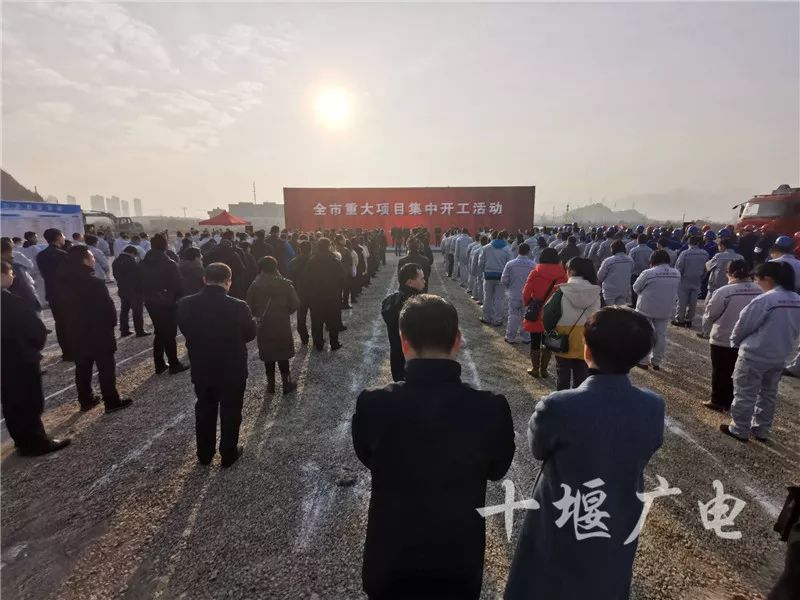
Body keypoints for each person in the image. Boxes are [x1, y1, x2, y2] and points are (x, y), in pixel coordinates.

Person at [352, 294, 515, 599]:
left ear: (403, 342)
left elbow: (367, 455)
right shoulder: (490, 407)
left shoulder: (373, 403)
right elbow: (498, 468)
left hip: (390, 556)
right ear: (457, 341)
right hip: (457, 558)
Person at [505, 307, 664, 600]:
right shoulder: (653, 406)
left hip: (562, 510)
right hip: (616, 509)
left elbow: (538, 448)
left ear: (587, 350)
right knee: (606, 572)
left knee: (546, 574)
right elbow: (649, 447)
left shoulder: (559, 406)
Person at [178, 263, 257, 467]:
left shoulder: (186, 304)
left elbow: (186, 329)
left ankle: (204, 453)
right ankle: (228, 452)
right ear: (228, 281)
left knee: (204, 407)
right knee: (231, 409)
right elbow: (250, 334)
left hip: (202, 365)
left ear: (205, 279)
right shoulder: (238, 305)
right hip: (232, 366)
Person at [722, 262, 800, 442]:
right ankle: (762, 429)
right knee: (768, 394)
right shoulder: (797, 300)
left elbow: (744, 325)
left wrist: (735, 342)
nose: (757, 283)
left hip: (754, 354)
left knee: (745, 392)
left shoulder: (766, 300)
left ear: (769, 279)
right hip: (780, 356)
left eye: (758, 279)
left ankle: (739, 428)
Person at [1, 261, 71, 456]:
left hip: (5, 361)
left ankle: (21, 439)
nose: (12, 276)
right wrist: (32, 348)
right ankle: (36, 442)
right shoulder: (10, 302)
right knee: (28, 399)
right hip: (19, 357)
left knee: (10, 400)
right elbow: (35, 330)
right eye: (10, 273)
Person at [59, 246, 132, 412]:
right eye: (91, 257)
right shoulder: (94, 283)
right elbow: (107, 308)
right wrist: (112, 324)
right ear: (84, 260)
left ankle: (86, 399)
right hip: (98, 332)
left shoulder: (63, 283)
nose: (93, 259)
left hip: (76, 331)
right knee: (105, 367)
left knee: (83, 367)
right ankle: (111, 400)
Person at [700, 260, 762, 412]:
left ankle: (718, 401)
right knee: (740, 371)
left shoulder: (724, 291)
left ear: (730, 273)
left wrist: (706, 329)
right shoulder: (760, 291)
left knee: (721, 370)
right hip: (749, 338)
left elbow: (711, 314)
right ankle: (735, 400)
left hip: (723, 337)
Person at [542, 257, 602, 390]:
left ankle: (562, 401)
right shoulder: (595, 292)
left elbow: (548, 316)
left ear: (572, 271)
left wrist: (550, 329)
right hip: (586, 337)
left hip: (563, 337)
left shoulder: (562, 291)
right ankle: (579, 401)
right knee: (581, 375)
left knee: (562, 374)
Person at [246, 256, 300, 395]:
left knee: (268, 353)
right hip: (281, 323)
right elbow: (295, 304)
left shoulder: (255, 284)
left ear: (261, 268)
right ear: (276, 266)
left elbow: (249, 305)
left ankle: (271, 386)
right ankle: (286, 384)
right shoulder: (285, 284)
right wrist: (284, 311)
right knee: (283, 354)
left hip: (264, 324)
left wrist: (258, 313)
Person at [141, 233, 188, 374]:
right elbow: (179, 286)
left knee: (160, 332)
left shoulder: (142, 263)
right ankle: (174, 363)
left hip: (150, 301)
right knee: (169, 333)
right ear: (165, 245)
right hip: (168, 302)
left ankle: (159, 363)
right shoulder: (168, 263)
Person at [521, 248, 567, 378]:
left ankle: (535, 369)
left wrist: (530, 302)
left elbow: (525, 293)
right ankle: (544, 369)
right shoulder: (563, 275)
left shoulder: (535, 273)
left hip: (536, 312)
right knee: (549, 342)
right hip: (554, 313)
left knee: (535, 341)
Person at [632, 250, 681, 371]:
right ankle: (656, 362)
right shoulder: (676, 273)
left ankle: (643, 361)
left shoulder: (648, 273)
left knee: (645, 334)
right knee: (661, 335)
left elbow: (636, 288)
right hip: (665, 309)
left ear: (653, 260)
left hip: (646, 308)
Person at [381, 262, 425, 381]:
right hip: (416, 359)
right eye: (421, 279)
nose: (424, 281)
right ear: (410, 282)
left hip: (396, 355)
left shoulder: (388, 301)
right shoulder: (420, 303)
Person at [300, 237, 345, 351]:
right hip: (333, 296)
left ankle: (318, 344)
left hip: (316, 297)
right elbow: (343, 277)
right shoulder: (334, 260)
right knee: (333, 320)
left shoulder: (312, 260)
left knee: (316, 321)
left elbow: (306, 279)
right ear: (329, 246)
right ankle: (334, 343)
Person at [36, 228, 71, 360]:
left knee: (60, 324)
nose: (64, 238)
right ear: (58, 237)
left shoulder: (41, 255)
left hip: (52, 294)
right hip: (66, 294)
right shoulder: (62, 255)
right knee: (71, 322)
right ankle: (74, 350)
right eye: (62, 235)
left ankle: (66, 353)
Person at [501, 242, 536, 344]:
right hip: (528, 296)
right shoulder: (533, 265)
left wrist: (510, 287)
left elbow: (504, 279)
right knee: (526, 317)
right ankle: (526, 337)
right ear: (528, 252)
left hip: (514, 294)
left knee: (512, 316)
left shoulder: (510, 264)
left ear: (518, 251)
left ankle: (510, 337)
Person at [112, 246, 150, 337]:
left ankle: (124, 330)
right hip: (135, 291)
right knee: (137, 311)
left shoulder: (116, 261)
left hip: (122, 289)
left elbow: (116, 276)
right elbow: (139, 277)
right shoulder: (131, 262)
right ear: (132, 253)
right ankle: (139, 330)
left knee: (124, 310)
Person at [673, 235, 709, 327]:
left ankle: (680, 320)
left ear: (689, 243)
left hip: (684, 280)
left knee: (682, 302)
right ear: (698, 243)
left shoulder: (685, 253)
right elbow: (706, 269)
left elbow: (678, 267)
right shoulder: (705, 254)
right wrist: (701, 278)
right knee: (693, 303)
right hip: (697, 280)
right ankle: (688, 320)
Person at [479, 230, 514, 326]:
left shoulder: (486, 248)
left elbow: (481, 262)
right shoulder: (507, 249)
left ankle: (487, 317)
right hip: (501, 276)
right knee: (499, 298)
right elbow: (510, 264)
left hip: (488, 275)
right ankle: (498, 319)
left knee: (488, 297)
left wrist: (482, 272)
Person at [1, 237, 40, 313]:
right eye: (9, 252)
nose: (12, 256)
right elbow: (24, 287)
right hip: (23, 302)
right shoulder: (14, 266)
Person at [289, 240, 313, 344]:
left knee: (301, 316)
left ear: (299, 249)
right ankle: (317, 337)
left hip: (299, 292)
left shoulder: (293, 262)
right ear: (311, 249)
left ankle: (304, 338)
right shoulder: (314, 260)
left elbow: (289, 279)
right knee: (316, 315)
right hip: (314, 292)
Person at [597, 240, 633, 306]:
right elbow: (631, 271)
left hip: (610, 292)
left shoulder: (608, 261)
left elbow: (600, 276)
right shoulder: (630, 260)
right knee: (621, 312)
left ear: (613, 249)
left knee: (610, 312)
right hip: (624, 290)